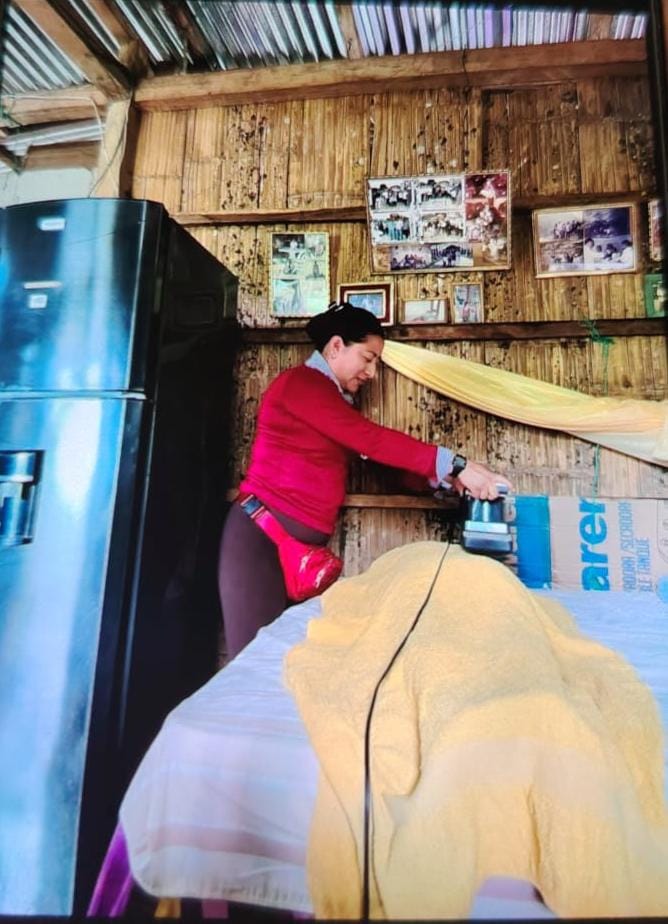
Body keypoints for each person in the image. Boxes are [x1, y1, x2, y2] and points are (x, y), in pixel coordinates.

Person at [218, 303, 512, 659]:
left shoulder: (336, 404)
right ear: (336, 346)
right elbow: (370, 439)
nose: (372, 373)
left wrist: (448, 480)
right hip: (258, 542)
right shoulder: (300, 385)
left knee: (290, 665)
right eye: (368, 358)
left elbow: (380, 462)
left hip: (297, 553)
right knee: (253, 665)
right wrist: (455, 463)